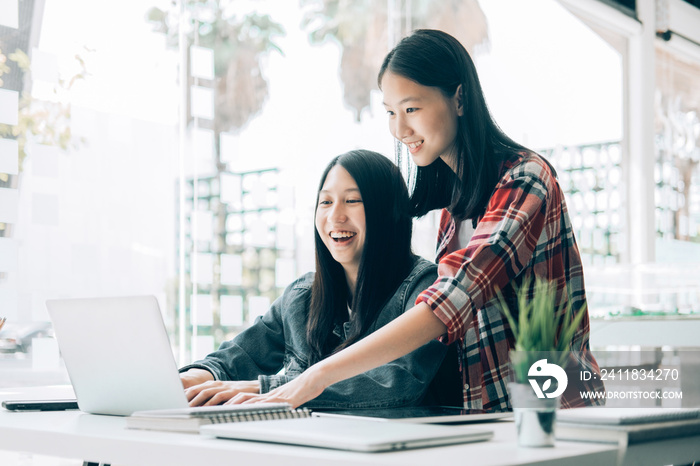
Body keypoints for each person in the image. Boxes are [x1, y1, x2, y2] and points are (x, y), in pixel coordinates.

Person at [234, 29, 604, 412]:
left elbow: (449, 303)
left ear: (459, 98)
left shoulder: (526, 179)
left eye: (411, 109)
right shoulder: (454, 208)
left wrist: (315, 378)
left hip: (559, 409)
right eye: (391, 113)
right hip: (493, 415)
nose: (399, 129)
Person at [179, 149, 447, 409]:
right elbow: (239, 358)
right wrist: (189, 379)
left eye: (352, 201)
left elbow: (396, 383)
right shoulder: (302, 296)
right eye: (326, 202)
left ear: (388, 211)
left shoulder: (425, 287)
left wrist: (271, 390)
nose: (335, 216)